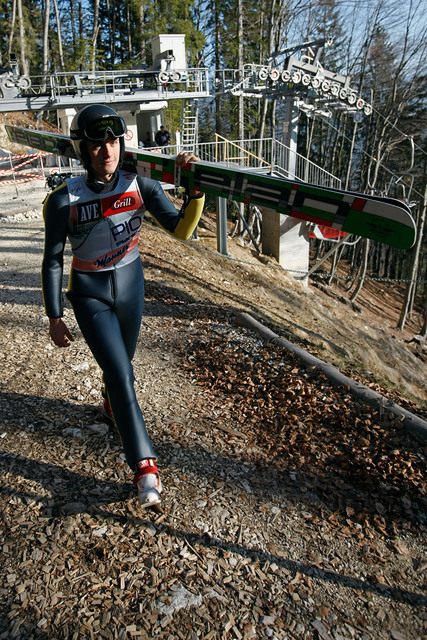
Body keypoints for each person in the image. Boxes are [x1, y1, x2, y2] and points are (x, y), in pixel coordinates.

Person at [41, 104, 204, 510]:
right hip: (89, 293)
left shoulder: (141, 186)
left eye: (112, 142)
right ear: (82, 149)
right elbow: (52, 259)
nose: (106, 151)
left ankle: (110, 401)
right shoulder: (62, 201)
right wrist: (54, 315)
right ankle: (145, 469)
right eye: (96, 145)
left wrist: (195, 191)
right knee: (122, 373)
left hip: (132, 287)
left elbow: (182, 230)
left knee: (120, 369)